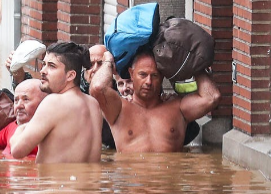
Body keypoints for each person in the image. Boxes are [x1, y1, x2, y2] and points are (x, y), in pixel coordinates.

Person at [90, 49, 221, 153]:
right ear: (131, 73)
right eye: (143, 75)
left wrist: (194, 65)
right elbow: (97, 88)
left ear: (162, 77)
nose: (148, 82)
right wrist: (107, 60)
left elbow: (212, 98)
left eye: (154, 76)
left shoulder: (178, 108)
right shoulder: (118, 109)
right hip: (132, 185)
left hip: (167, 184)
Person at [10, 42, 104, 163]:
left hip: (56, 181)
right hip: (86, 181)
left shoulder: (54, 102)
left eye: (51, 66)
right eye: (44, 64)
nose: (43, 71)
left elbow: (17, 151)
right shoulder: (93, 104)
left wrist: (20, 129)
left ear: (70, 75)